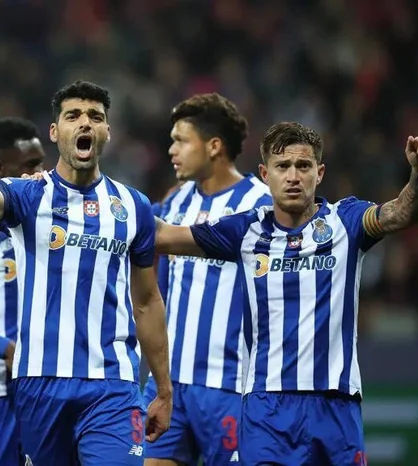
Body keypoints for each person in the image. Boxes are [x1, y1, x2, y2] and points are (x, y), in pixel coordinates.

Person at [153, 121, 418, 466]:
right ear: (265, 174)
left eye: (303, 166)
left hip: (335, 405)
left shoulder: (346, 222)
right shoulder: (245, 230)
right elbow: (164, 236)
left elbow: (401, 213)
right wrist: (117, 198)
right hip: (266, 409)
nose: (293, 176)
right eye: (282, 166)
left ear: (319, 173)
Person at [0, 79, 173, 465]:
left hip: (112, 385)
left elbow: (147, 301)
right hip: (40, 383)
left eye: (95, 116)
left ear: (107, 131)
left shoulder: (134, 206)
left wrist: (163, 389)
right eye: (73, 116)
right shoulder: (27, 194)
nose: (85, 123)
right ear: (54, 131)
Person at [144, 93, 271, 466]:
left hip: (231, 385)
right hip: (169, 384)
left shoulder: (261, 203)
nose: (172, 150)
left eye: (181, 140)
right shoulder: (174, 203)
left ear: (214, 146)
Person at [0, 117, 45, 465]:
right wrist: (1, 347)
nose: (40, 173)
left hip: (42, 386)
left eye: (42, 163)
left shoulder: (43, 226)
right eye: (31, 165)